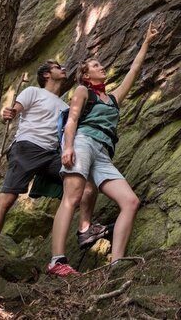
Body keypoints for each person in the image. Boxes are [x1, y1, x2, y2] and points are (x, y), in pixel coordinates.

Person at [47, 21, 160, 276]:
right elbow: (73, 120)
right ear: (86, 75)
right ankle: (56, 261)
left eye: (101, 64)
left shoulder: (113, 99)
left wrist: (146, 42)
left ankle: (117, 264)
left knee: (130, 202)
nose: (102, 67)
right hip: (83, 143)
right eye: (96, 65)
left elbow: (135, 69)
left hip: (103, 153)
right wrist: (67, 147)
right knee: (72, 198)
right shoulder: (82, 91)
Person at [0, 60, 107, 273]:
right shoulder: (32, 92)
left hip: (51, 155)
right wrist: (6, 113)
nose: (63, 68)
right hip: (27, 147)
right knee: (7, 197)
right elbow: (13, 112)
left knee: (84, 185)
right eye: (57, 67)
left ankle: (85, 229)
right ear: (46, 74)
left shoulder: (66, 106)